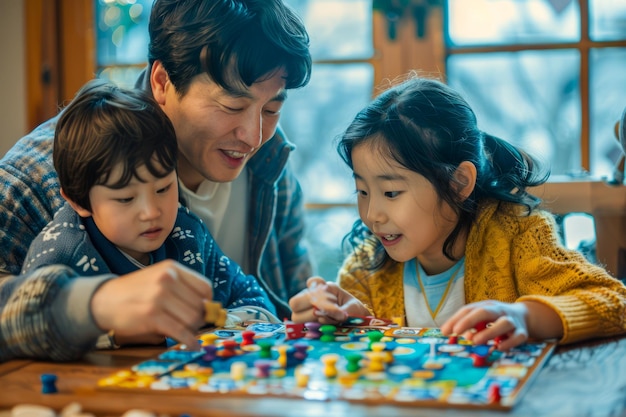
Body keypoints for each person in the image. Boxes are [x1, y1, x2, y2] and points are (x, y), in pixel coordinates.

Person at [0, 0, 312, 361]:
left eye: (272, 108)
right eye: (231, 105)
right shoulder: (40, 173)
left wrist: (317, 307)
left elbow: (289, 303)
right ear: (163, 82)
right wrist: (96, 305)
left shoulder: (269, 162)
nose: (254, 136)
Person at [289, 75, 626, 350]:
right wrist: (344, 321)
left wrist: (525, 316)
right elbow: (366, 359)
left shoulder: (517, 235)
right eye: (362, 191)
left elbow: (613, 301)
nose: (372, 214)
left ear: (459, 182)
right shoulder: (367, 267)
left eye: (391, 192)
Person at [21, 79, 277, 348]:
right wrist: (112, 334)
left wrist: (223, 325)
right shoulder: (60, 252)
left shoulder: (187, 233)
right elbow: (29, 329)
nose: (151, 212)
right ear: (77, 200)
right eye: (126, 198)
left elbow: (253, 298)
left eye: (164, 188)